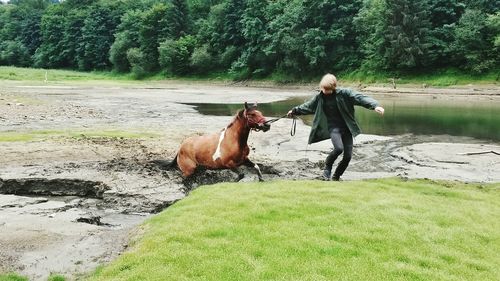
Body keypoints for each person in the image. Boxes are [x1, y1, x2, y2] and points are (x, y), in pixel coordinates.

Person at [287, 73, 385, 181]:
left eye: (328, 89)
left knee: (347, 157)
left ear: (334, 87)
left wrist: (375, 106)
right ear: (321, 87)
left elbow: (360, 98)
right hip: (334, 127)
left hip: (347, 128)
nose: (326, 91)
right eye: (324, 89)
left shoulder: (345, 94)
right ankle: (327, 167)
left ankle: (336, 176)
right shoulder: (319, 97)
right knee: (338, 148)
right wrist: (294, 111)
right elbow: (308, 106)